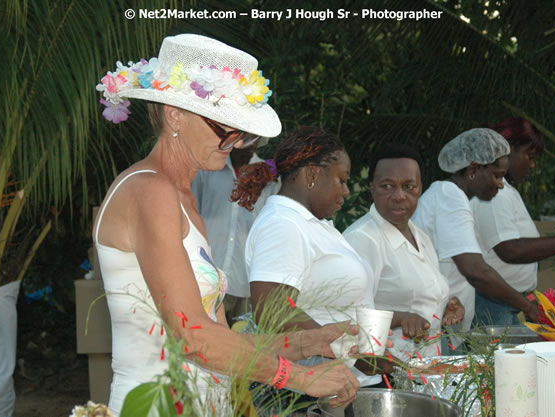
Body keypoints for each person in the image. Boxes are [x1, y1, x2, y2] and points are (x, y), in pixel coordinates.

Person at [93, 34, 360, 416]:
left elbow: (218, 339)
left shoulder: (184, 199)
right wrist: (300, 378)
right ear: (175, 116)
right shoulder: (149, 190)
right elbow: (191, 337)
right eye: (224, 128)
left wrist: (309, 343)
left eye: (241, 131)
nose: (235, 143)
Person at [233, 126, 387, 388]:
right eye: (342, 179)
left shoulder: (313, 223)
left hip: (344, 381)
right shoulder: (282, 224)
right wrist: (349, 350)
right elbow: (271, 309)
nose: (347, 190)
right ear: (313, 174)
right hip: (308, 388)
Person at [411, 128, 540, 345]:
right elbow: (475, 271)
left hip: (445, 321)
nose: (500, 184)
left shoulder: (449, 196)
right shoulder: (450, 197)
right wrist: (527, 306)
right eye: (496, 175)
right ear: (473, 170)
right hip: (436, 327)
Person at [344, 144, 465, 361]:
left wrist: (447, 306)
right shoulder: (363, 240)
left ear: (420, 189)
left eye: (409, 186)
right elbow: (345, 318)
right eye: (387, 186)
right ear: (372, 187)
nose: (399, 196)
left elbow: (418, 297)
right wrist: (399, 319)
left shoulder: (421, 236)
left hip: (426, 366)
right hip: (386, 372)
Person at [470, 118, 555, 325]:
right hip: (492, 306)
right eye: (529, 156)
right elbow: (510, 250)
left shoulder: (505, 191)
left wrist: (531, 298)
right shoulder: (494, 194)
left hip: (506, 304)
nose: (532, 165)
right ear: (508, 149)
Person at [192, 144, 280, 326]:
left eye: (253, 138)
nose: (247, 144)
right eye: (242, 136)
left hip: (246, 279)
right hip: (208, 275)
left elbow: (271, 226)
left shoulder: (269, 176)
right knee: (207, 340)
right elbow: (192, 213)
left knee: (242, 344)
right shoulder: (208, 170)